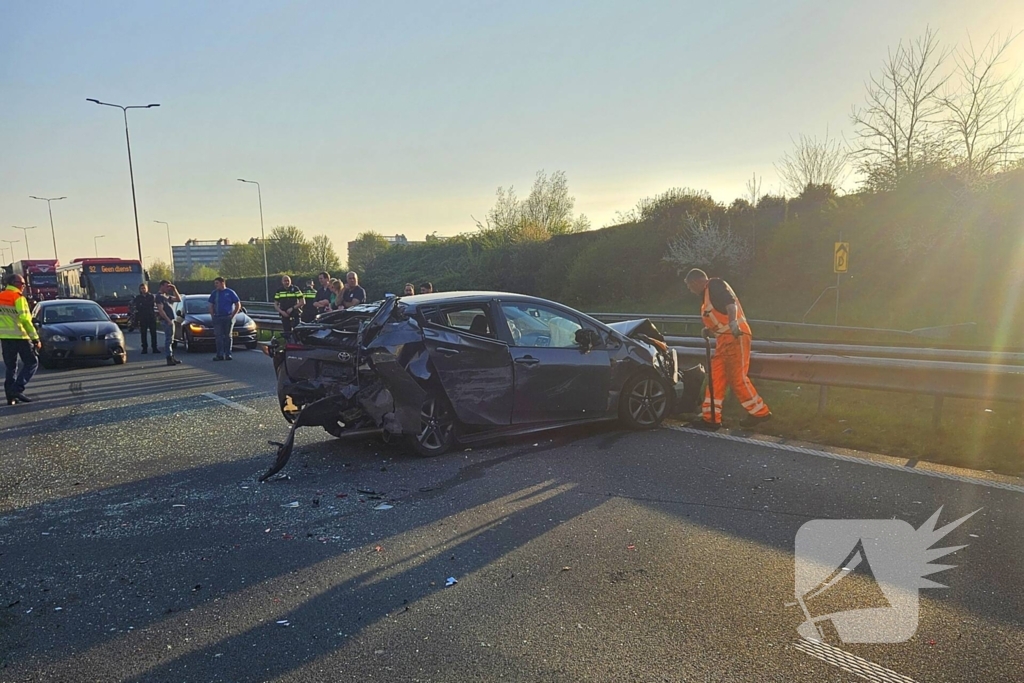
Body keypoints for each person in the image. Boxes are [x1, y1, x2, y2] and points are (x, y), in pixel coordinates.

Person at [684, 269, 771, 429]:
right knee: (716, 377)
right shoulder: (707, 296)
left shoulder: (715, 285)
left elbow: (730, 304)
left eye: (690, 286)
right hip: (724, 339)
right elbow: (719, 317)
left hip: (736, 336)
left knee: (737, 377)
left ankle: (760, 412)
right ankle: (711, 418)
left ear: (695, 282)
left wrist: (733, 323)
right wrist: (709, 330)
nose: (690, 290)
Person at [0, 274, 41, 405]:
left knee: (11, 367)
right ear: (14, 283)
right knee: (32, 362)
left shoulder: (1, 296)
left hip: (5, 338)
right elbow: (25, 320)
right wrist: (35, 338)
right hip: (20, 336)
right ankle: (17, 389)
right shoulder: (18, 298)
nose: (24, 286)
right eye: (22, 283)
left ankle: (10, 397)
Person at [208, 277, 241, 361]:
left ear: (222, 283)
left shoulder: (230, 292)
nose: (215, 285)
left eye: (217, 283)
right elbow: (211, 305)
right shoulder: (214, 293)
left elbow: (238, 304)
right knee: (218, 336)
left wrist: (233, 315)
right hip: (218, 317)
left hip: (228, 317)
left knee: (228, 336)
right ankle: (219, 354)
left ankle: (228, 354)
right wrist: (212, 316)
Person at [155, 280, 182, 366]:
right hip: (167, 321)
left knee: (171, 340)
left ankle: (172, 356)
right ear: (161, 286)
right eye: (167, 286)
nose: (168, 288)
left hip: (171, 320)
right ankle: (169, 358)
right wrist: (168, 320)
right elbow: (161, 310)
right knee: (168, 340)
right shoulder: (159, 296)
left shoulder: (166, 296)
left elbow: (178, 299)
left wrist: (175, 289)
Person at [131, 283, 159, 354]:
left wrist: (142, 305)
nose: (143, 290)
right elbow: (137, 306)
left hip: (151, 317)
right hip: (142, 317)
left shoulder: (151, 296)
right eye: (142, 288)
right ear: (140, 289)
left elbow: (150, 304)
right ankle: (144, 348)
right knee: (143, 333)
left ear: (147, 288)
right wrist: (142, 306)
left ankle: (154, 347)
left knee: (153, 333)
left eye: (144, 288)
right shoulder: (138, 298)